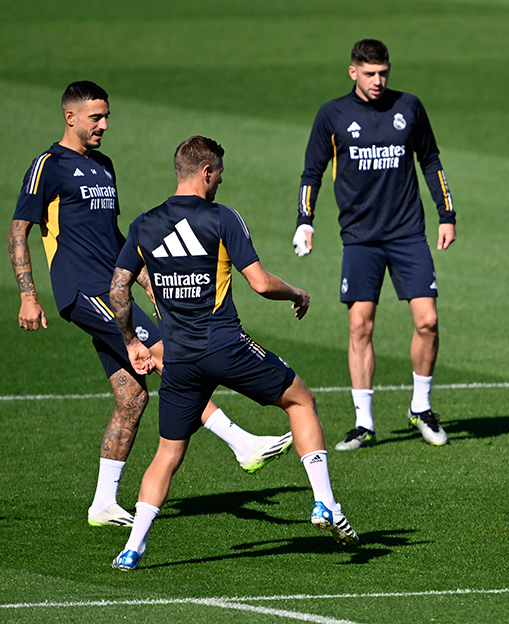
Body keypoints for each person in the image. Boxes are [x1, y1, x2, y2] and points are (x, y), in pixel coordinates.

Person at [8, 82, 293, 528]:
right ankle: (241, 443)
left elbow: (118, 241)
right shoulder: (48, 165)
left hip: (112, 287)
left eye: (106, 116)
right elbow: (19, 229)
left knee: (132, 396)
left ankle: (103, 503)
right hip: (83, 290)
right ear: (70, 117)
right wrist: (28, 294)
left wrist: (148, 284)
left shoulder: (104, 166)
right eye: (95, 117)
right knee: (166, 354)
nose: (104, 125)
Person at [110, 136, 358, 571]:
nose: (220, 180)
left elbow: (118, 288)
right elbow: (260, 283)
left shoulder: (144, 225)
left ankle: (133, 548)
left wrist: (132, 340)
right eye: (219, 172)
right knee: (300, 400)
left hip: (181, 359)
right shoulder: (221, 218)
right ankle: (323, 503)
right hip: (226, 346)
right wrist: (297, 293)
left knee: (167, 454)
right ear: (206, 171)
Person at [293, 39, 456, 450]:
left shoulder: (410, 107)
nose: (378, 81)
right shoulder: (332, 114)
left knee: (428, 321)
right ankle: (363, 423)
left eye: (383, 72)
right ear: (353, 72)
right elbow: (312, 172)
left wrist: (447, 214)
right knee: (360, 324)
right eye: (369, 74)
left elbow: (431, 160)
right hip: (360, 238)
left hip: (407, 233)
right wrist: (305, 221)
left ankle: (421, 407)